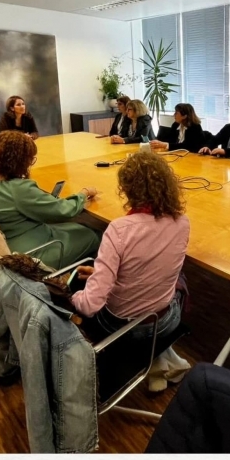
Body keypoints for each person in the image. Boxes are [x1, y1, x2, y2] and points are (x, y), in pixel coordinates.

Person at [72, 150, 189, 352]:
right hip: (165, 322)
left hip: (120, 328)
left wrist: (71, 297)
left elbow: (90, 306)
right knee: (180, 277)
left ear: (126, 189)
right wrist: (104, 276)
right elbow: (150, 263)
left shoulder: (119, 230)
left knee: (80, 294)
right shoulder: (183, 222)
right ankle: (160, 355)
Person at [0, 131, 99, 270]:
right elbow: (63, 211)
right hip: (31, 255)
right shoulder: (19, 189)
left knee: (76, 227)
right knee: (93, 235)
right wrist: (83, 194)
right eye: (30, 159)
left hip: (4, 247)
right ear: (19, 160)